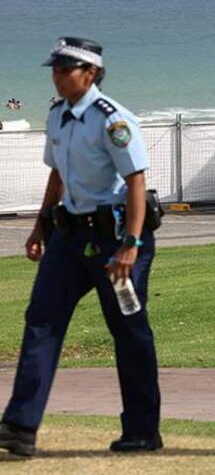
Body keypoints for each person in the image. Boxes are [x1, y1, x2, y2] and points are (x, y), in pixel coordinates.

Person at [0, 37, 162, 457]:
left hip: (115, 237)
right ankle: (20, 426)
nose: (57, 76)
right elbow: (56, 175)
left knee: (128, 331)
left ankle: (142, 431)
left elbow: (136, 181)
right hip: (69, 237)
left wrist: (131, 243)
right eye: (54, 68)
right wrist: (39, 226)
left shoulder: (113, 120)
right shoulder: (57, 117)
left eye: (65, 68)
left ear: (90, 73)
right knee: (41, 320)